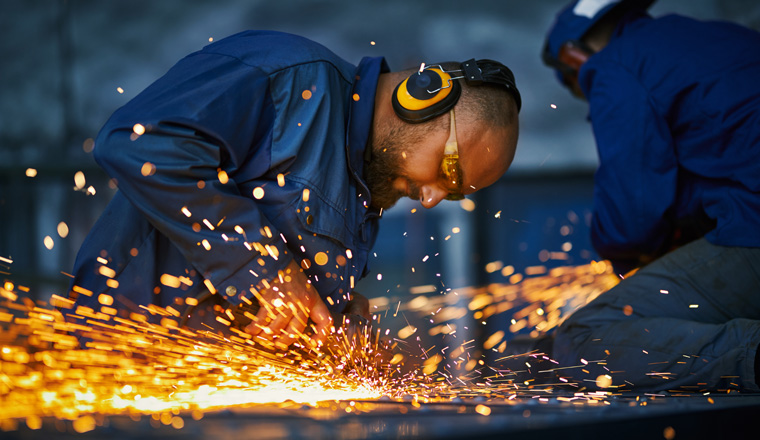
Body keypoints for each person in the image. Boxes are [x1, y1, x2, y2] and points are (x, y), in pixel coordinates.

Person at [67, 30, 521, 351]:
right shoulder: (288, 76)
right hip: (128, 362)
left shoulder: (365, 178)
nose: (430, 199)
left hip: (216, 391)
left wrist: (334, 319)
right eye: (449, 173)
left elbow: (277, 287)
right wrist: (266, 270)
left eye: (455, 194)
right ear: (422, 97)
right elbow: (139, 143)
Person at [541, 0, 760, 392]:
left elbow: (632, 216)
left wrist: (624, 259)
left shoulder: (615, 65)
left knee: (582, 338)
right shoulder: (725, 38)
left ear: (573, 58)